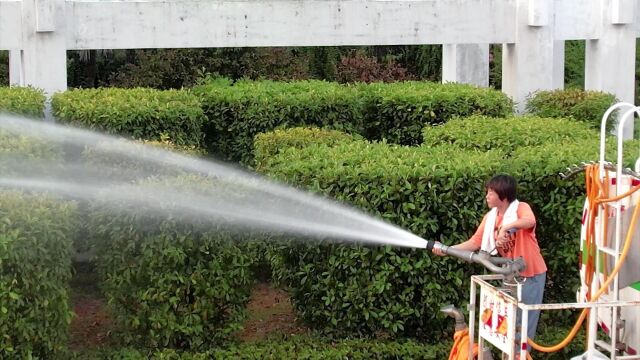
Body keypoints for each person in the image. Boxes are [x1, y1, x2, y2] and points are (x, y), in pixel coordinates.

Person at [432, 174, 547, 347]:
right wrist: (447, 249)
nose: (487, 196)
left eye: (491, 192)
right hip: (510, 277)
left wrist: (507, 228)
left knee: (523, 329)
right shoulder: (490, 217)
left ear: (503, 194)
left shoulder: (521, 208)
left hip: (531, 276)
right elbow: (474, 242)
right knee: (508, 327)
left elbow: (529, 220)